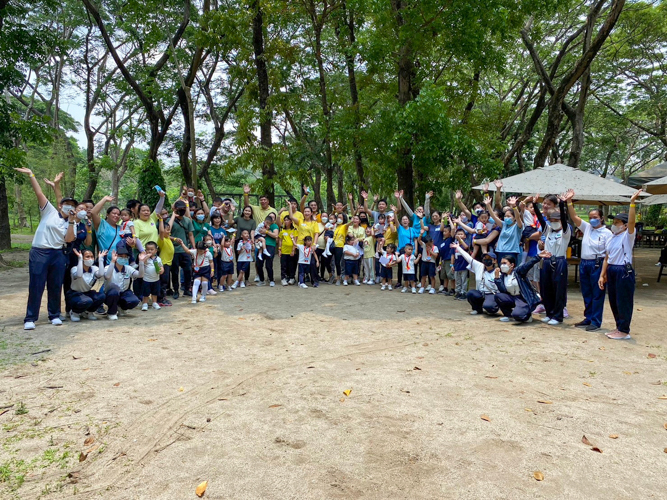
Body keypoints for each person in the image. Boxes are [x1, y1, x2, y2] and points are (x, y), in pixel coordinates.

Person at [15, 167, 78, 330]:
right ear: (60, 206)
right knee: (36, 284)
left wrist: (71, 221)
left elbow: (68, 239)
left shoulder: (73, 222)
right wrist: (31, 175)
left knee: (55, 285)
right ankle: (30, 318)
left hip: (58, 253)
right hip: (40, 252)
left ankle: (54, 315)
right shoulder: (49, 211)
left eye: (71, 205)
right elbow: (39, 194)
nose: (68, 207)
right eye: (66, 204)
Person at [562, 189, 612, 332]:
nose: (592, 219)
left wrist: (603, 273)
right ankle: (588, 317)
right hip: (584, 263)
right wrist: (569, 202)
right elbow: (574, 216)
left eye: (595, 217)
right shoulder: (587, 227)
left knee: (597, 293)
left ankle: (596, 321)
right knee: (586, 292)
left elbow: (608, 254)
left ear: (601, 218)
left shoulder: (607, 233)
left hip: (598, 263)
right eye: (590, 217)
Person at [598, 190, 643, 340]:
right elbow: (607, 257)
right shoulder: (612, 238)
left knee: (623, 300)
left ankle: (624, 330)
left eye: (617, 222)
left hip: (623, 270)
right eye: (614, 222)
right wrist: (602, 274)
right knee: (613, 300)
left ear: (624, 226)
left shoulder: (627, 236)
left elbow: (631, 222)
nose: (614, 224)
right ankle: (619, 327)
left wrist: (632, 203)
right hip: (612, 269)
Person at [535, 198, 571, 325]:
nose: (554, 222)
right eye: (552, 220)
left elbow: (565, 220)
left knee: (558, 289)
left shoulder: (565, 232)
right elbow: (540, 219)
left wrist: (562, 203)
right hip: (546, 261)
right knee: (546, 288)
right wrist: (535, 204)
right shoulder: (548, 230)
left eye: (557, 220)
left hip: (559, 261)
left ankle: (557, 315)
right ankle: (549, 313)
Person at [493, 254, 543, 323]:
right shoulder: (503, 276)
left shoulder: (518, 272)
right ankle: (508, 315)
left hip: (523, 298)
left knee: (517, 315)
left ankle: (527, 316)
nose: (502, 265)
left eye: (504, 263)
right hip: (512, 297)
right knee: (498, 296)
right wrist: (497, 279)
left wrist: (538, 257)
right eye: (501, 263)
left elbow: (527, 265)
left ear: (512, 265)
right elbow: (503, 290)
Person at [453, 243, 499, 316]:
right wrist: (458, 248)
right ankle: (477, 309)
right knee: (471, 293)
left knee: (489, 307)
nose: (486, 260)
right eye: (485, 258)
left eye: (489, 259)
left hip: (491, 294)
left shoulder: (497, 272)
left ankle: (493, 306)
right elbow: (468, 258)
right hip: (480, 292)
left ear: (494, 261)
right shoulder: (479, 266)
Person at [103, 242, 146, 320]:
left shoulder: (128, 268)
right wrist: (112, 261)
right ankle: (111, 312)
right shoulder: (108, 267)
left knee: (134, 301)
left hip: (123, 292)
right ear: (116, 256)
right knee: (114, 292)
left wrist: (141, 262)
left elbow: (140, 275)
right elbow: (107, 276)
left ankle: (120, 307)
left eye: (125, 257)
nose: (123, 258)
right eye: (121, 256)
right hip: (110, 294)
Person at [66, 249, 107, 322]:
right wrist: (80, 259)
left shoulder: (94, 268)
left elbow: (101, 274)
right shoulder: (74, 269)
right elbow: (79, 275)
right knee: (87, 300)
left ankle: (89, 312)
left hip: (87, 292)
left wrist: (101, 259)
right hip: (75, 293)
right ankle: (75, 312)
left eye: (92, 257)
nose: (90, 259)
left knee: (101, 296)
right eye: (87, 257)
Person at [484, 195, 523, 263]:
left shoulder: (518, 226)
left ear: (514, 218)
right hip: (500, 251)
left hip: (512, 252)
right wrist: (488, 205)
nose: (506, 218)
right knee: (501, 270)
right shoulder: (504, 224)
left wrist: (514, 206)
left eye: (509, 216)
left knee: (510, 270)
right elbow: (493, 216)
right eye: (505, 216)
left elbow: (518, 217)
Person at [170, 200, 196, 299]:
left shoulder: (187, 220)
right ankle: (176, 290)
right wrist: (173, 216)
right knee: (175, 272)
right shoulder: (170, 220)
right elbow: (167, 232)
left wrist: (193, 248)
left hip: (185, 250)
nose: (182, 210)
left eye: (183, 208)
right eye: (179, 208)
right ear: (175, 209)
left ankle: (186, 289)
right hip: (174, 250)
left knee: (188, 270)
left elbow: (190, 234)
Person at [157, 214, 175, 306]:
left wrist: (173, 215)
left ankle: (162, 297)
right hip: (163, 263)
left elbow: (169, 225)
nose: (169, 230)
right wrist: (160, 220)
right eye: (167, 229)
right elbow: (161, 231)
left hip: (168, 263)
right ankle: (161, 299)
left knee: (165, 281)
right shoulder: (162, 239)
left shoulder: (168, 237)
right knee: (163, 282)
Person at [256, 214, 279, 286]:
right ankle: (262, 280)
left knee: (268, 264)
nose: (271, 218)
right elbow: (258, 232)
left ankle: (271, 279)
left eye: (273, 217)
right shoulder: (262, 224)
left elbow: (275, 235)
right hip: (261, 245)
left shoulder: (274, 226)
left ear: (274, 219)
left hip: (270, 245)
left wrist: (266, 231)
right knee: (259, 263)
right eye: (270, 216)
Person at [141, 241, 164, 311]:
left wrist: (161, 270)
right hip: (146, 279)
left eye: (151, 249)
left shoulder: (158, 259)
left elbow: (161, 267)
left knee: (155, 292)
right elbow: (142, 262)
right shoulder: (145, 258)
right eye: (148, 249)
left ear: (156, 250)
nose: (149, 251)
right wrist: (146, 256)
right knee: (146, 293)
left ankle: (154, 302)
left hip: (156, 279)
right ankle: (145, 303)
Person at [416, 229, 438, 294]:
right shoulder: (424, 245)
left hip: (431, 263)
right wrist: (421, 234)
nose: (428, 245)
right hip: (424, 262)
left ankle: (432, 288)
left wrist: (431, 251)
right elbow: (419, 240)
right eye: (426, 244)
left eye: (429, 244)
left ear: (432, 242)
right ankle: (422, 287)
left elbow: (436, 256)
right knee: (423, 275)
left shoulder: (435, 247)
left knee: (432, 276)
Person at [452, 227, 470, 300]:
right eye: (458, 234)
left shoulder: (465, 243)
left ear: (465, 236)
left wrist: (460, 240)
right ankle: (458, 291)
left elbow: (466, 247)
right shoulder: (454, 244)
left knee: (464, 280)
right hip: (457, 265)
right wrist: (452, 264)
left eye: (461, 234)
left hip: (464, 265)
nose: (459, 235)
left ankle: (464, 292)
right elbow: (452, 255)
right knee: (458, 280)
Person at [278, 216, 298, 286]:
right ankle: (283, 278)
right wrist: (279, 249)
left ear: (291, 221)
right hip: (284, 251)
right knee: (283, 265)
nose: (286, 222)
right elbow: (280, 240)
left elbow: (295, 240)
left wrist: (293, 250)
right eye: (285, 220)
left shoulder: (294, 230)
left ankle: (292, 278)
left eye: (287, 220)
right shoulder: (282, 230)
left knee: (292, 265)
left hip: (291, 251)